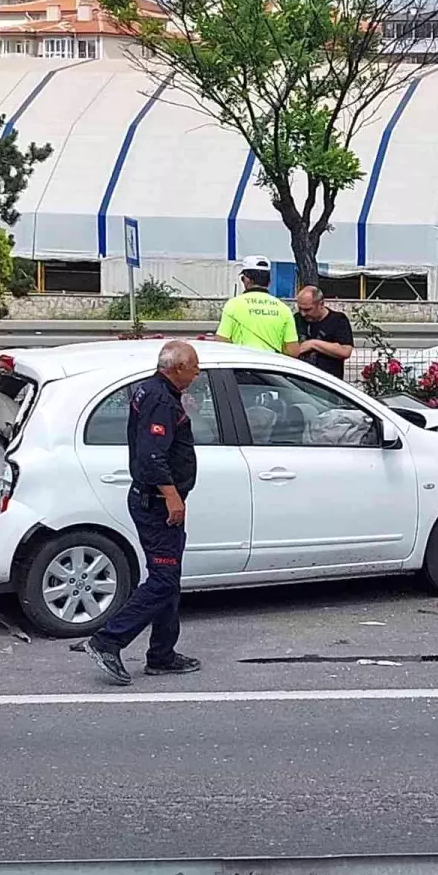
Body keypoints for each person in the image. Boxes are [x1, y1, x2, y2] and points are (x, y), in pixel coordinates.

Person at [86, 341, 202, 686]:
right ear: (176, 367)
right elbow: (152, 455)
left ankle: (162, 654)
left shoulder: (156, 392)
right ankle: (108, 640)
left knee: (169, 580)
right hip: (155, 503)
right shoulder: (160, 399)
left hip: (158, 500)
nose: (197, 373)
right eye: (193, 367)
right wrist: (172, 496)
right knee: (163, 579)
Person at [214, 255, 300, 356]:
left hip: (242, 367)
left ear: (246, 280)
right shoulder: (284, 309)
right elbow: (293, 351)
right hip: (273, 368)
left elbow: (221, 341)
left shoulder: (233, 305)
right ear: (269, 282)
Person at [294, 286, 354, 380]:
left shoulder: (338, 320)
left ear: (321, 304)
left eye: (307, 309)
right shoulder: (297, 319)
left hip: (328, 382)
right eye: (300, 309)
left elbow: (345, 351)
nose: (303, 314)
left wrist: (313, 344)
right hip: (301, 381)